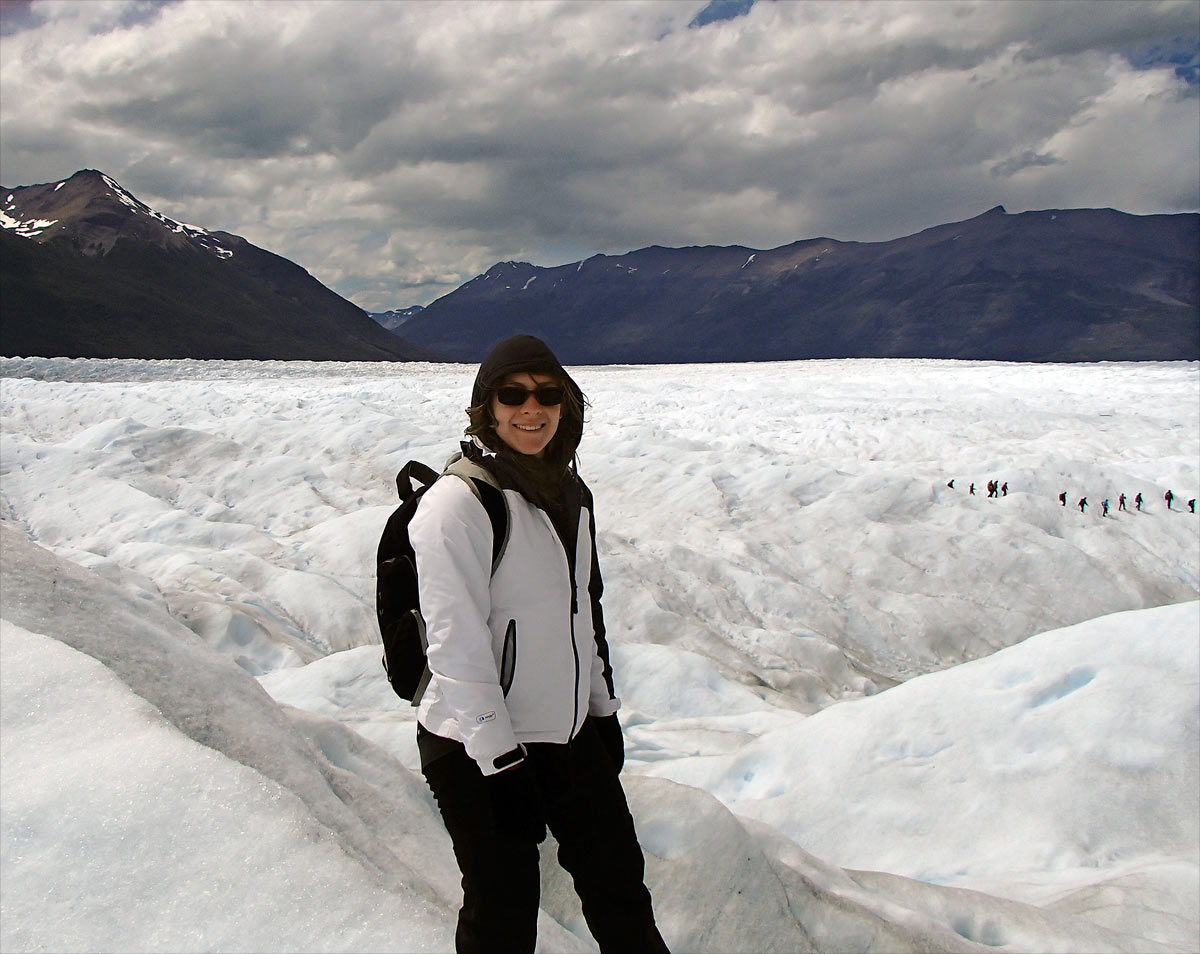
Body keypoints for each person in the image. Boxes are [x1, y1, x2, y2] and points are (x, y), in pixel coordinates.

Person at [408, 335, 670, 954]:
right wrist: (499, 762)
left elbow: (584, 616)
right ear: (486, 407)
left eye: (549, 394)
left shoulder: (570, 497)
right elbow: (455, 647)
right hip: (475, 747)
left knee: (622, 895)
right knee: (502, 914)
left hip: (570, 736)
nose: (533, 408)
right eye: (514, 394)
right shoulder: (459, 504)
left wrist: (601, 713)